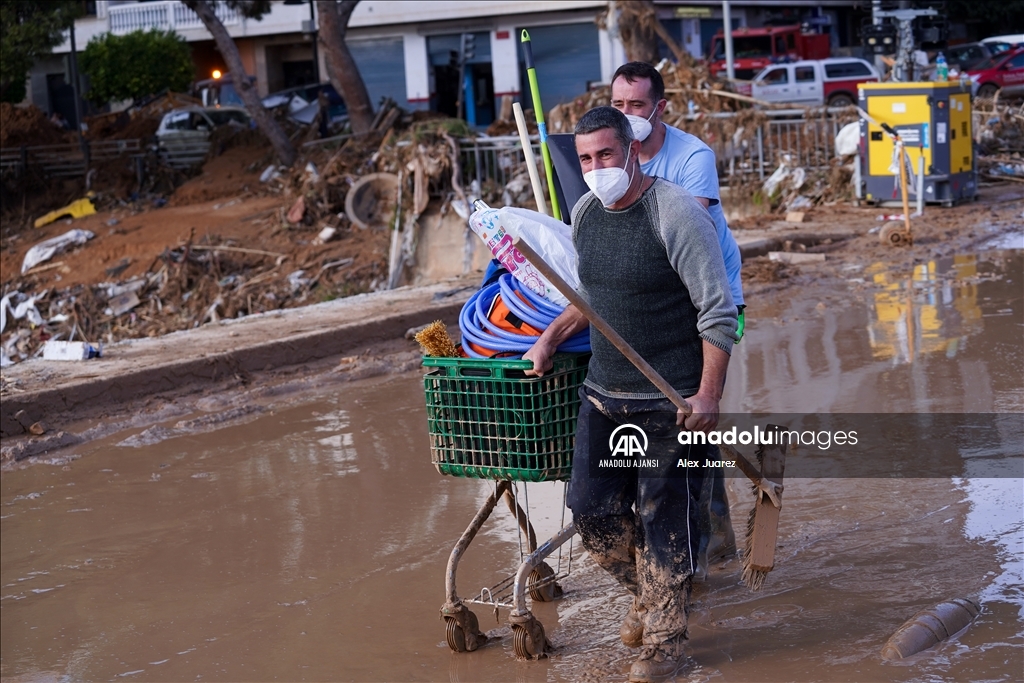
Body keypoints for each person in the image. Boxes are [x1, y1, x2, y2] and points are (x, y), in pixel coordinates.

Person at [524, 106, 737, 682]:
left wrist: (708, 396)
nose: (596, 168)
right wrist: (549, 338)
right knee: (591, 513)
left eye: (606, 155)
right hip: (604, 395)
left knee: (665, 520)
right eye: (586, 159)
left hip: (669, 403)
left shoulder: (676, 215)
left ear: (633, 152)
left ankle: (665, 645)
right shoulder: (586, 211)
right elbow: (590, 297)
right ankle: (649, 595)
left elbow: (719, 315)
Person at [611, 61, 743, 579]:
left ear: (659, 107)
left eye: (637, 106)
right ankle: (660, 542)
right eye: (618, 105)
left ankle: (712, 548)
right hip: (649, 297)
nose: (627, 116)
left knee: (692, 423)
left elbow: (680, 230)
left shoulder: (692, 157)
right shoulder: (608, 156)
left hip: (708, 297)